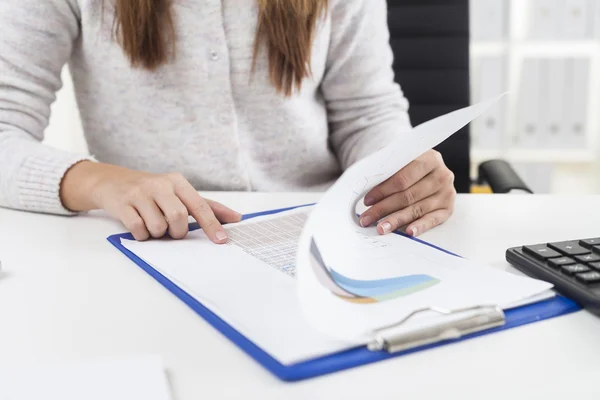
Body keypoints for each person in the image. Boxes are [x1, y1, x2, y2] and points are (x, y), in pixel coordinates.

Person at [0, 0, 456, 243]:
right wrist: (101, 182)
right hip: (164, 242)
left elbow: (367, 111)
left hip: (325, 232)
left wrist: (396, 166)